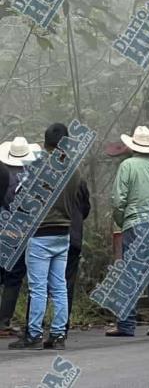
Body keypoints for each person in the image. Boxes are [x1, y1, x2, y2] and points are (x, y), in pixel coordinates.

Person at [9, 124, 81, 350]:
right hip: (64, 232)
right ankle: (58, 335)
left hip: (41, 232)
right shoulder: (73, 169)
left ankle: (33, 333)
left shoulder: (37, 166)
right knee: (59, 286)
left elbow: (20, 196)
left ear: (44, 141)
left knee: (38, 287)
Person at [106, 126, 149, 338]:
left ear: (133, 146)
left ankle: (126, 325)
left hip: (136, 224)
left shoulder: (127, 165)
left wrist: (122, 220)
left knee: (131, 274)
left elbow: (118, 200)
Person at [0, 137, 41, 337]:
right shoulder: (30, 176)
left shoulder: (2, 172)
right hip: (19, 230)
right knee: (13, 277)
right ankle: (3, 321)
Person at [64, 177, 90, 334]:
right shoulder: (79, 177)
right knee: (67, 284)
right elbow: (85, 208)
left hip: (47, 234)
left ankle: (34, 328)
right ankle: (62, 326)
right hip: (74, 236)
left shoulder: (41, 175)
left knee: (39, 284)